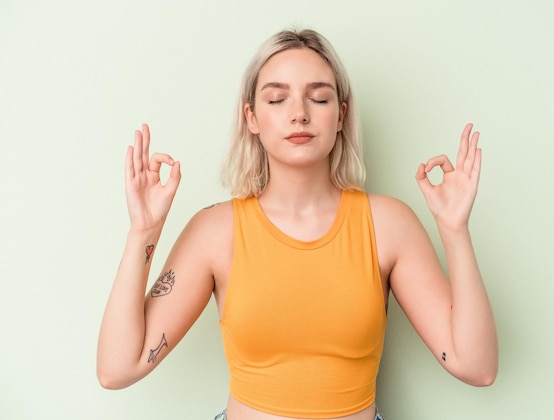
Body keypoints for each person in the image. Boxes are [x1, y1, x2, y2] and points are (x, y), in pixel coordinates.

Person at [97, 28, 498, 420]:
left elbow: (476, 367)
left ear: (340, 115)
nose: (299, 114)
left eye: (319, 98)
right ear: (251, 117)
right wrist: (143, 233)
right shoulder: (215, 232)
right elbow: (118, 369)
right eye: (276, 99)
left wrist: (455, 231)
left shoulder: (388, 224)